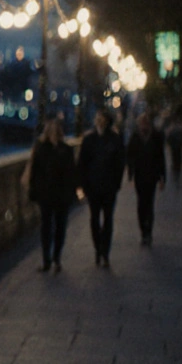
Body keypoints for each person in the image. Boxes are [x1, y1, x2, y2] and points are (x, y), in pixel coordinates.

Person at [28, 118, 77, 272]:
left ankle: (55, 257)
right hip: (47, 194)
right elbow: (34, 172)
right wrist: (34, 190)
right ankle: (47, 259)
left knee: (59, 227)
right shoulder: (42, 148)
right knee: (47, 227)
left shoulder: (65, 149)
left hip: (60, 195)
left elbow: (71, 173)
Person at [78, 108, 125, 268]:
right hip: (93, 186)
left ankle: (104, 251)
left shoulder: (114, 139)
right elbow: (82, 164)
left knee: (108, 219)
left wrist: (116, 183)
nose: (99, 120)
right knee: (94, 218)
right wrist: (83, 185)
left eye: (101, 118)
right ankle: (98, 248)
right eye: (98, 118)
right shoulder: (89, 139)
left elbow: (120, 163)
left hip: (109, 186)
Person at [126, 112, 166, 245]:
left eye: (145, 122)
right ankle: (143, 230)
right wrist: (130, 174)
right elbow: (130, 156)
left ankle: (148, 231)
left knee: (149, 204)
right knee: (141, 204)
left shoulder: (155, 137)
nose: (143, 125)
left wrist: (162, 177)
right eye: (142, 123)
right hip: (140, 176)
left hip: (152, 175)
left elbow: (161, 157)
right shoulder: (135, 137)